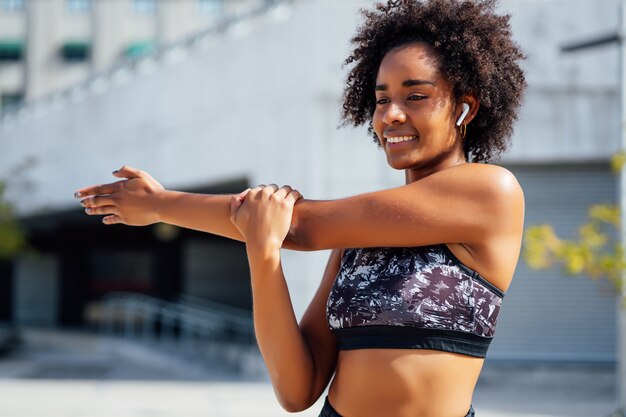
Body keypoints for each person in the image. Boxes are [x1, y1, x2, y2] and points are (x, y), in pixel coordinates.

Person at [74, 0, 526, 415]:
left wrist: (161, 205)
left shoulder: (489, 193)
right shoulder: (355, 243)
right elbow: (297, 390)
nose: (390, 115)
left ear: (465, 108)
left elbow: (301, 227)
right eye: (382, 98)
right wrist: (262, 252)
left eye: (416, 96)